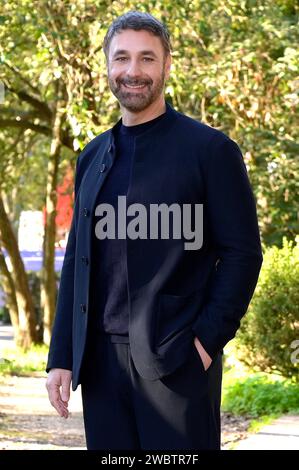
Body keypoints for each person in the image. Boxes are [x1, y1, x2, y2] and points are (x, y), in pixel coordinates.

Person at [46, 11, 263, 450]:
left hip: (177, 361)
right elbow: (78, 261)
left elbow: (243, 253)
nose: (133, 71)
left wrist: (205, 341)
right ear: (107, 66)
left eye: (147, 59)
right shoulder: (92, 156)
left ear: (166, 65)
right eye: (121, 58)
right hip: (101, 366)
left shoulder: (211, 151)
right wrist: (62, 356)